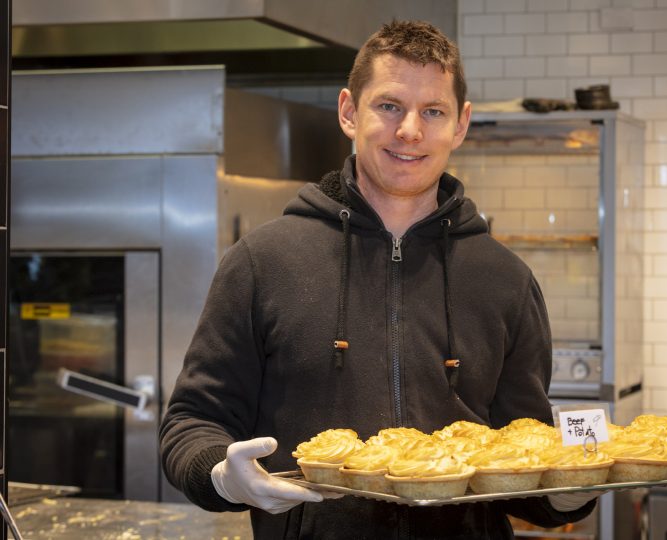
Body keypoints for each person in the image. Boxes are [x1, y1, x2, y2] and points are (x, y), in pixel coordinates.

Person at [159, 19, 597, 539]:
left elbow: (527, 447)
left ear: (460, 125)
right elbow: (189, 422)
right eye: (389, 106)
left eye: (433, 111)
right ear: (349, 111)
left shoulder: (506, 279)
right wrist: (221, 476)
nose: (410, 130)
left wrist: (571, 491)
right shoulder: (262, 261)